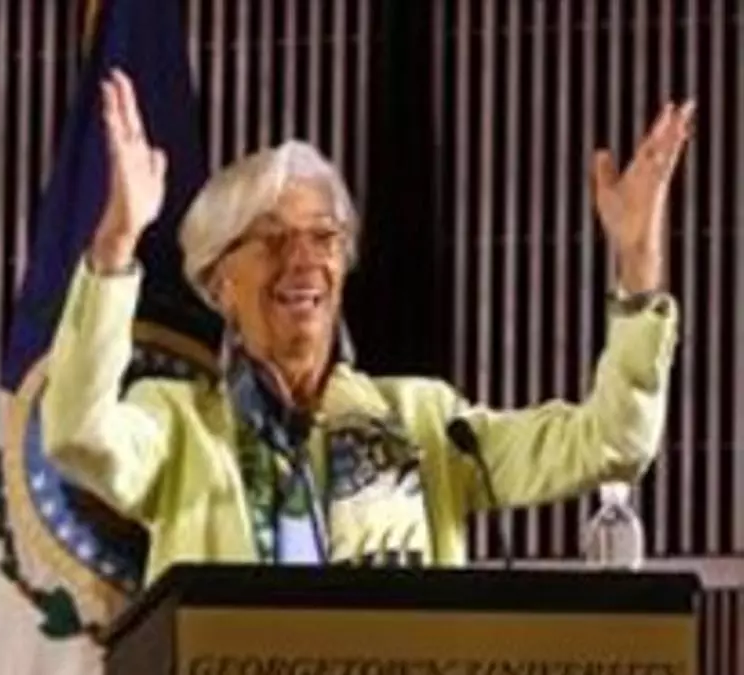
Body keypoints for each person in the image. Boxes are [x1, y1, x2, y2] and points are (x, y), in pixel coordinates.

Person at [41, 69, 695, 588]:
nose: (304, 260)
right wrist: (116, 243)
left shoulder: (428, 424)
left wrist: (638, 265)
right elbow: (76, 434)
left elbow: (612, 442)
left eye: (324, 237)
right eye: (271, 238)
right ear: (219, 283)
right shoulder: (176, 425)